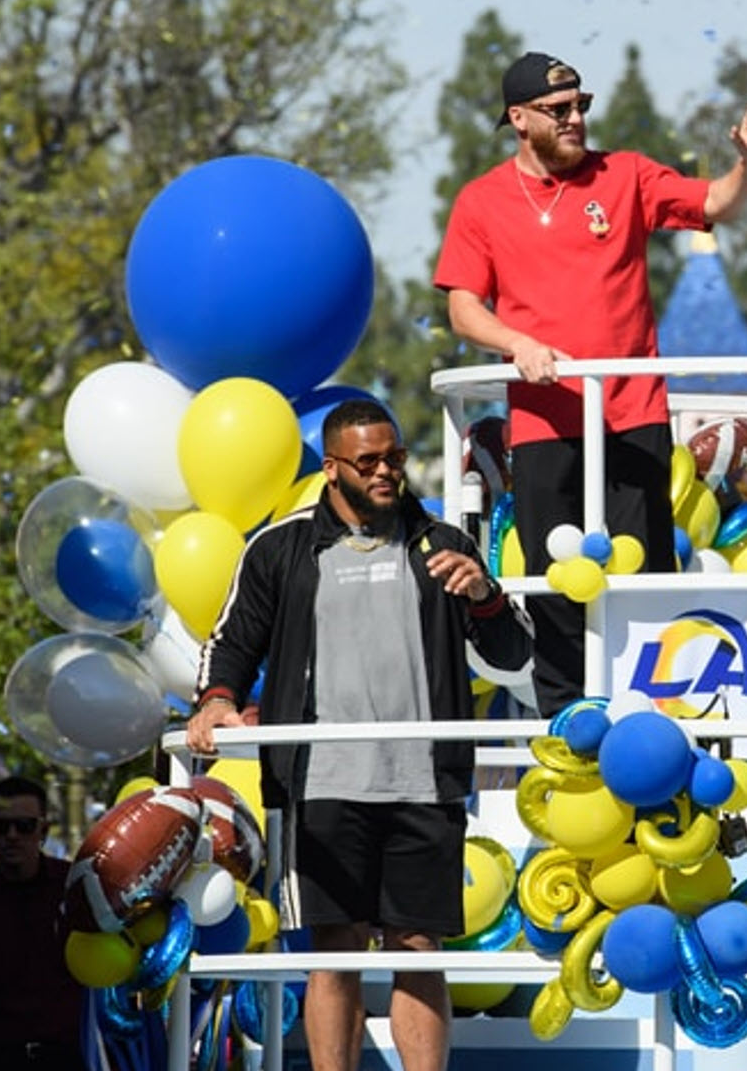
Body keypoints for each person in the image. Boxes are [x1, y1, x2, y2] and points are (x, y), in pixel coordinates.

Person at [186, 399, 532, 1071]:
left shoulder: (443, 546)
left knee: (417, 945)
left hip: (423, 781)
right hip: (317, 784)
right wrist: (217, 701)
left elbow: (516, 659)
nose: (384, 472)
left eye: (394, 458)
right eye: (367, 461)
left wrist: (485, 598)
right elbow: (231, 644)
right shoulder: (280, 548)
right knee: (332, 947)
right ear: (333, 468)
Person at [434, 51, 747, 716]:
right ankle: (572, 733)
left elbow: (716, 203)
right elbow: (463, 305)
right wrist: (518, 343)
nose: (574, 120)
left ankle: (656, 724)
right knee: (555, 584)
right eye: (558, 110)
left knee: (644, 578)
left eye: (580, 106)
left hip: (632, 416)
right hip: (545, 424)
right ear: (518, 118)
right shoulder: (482, 200)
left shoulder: (623, 174)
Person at [0, 777, 87, 1068]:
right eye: (0, 826)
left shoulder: (75, 888)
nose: (11, 835)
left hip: (68, 1057)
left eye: (23, 826)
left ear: (43, 831)